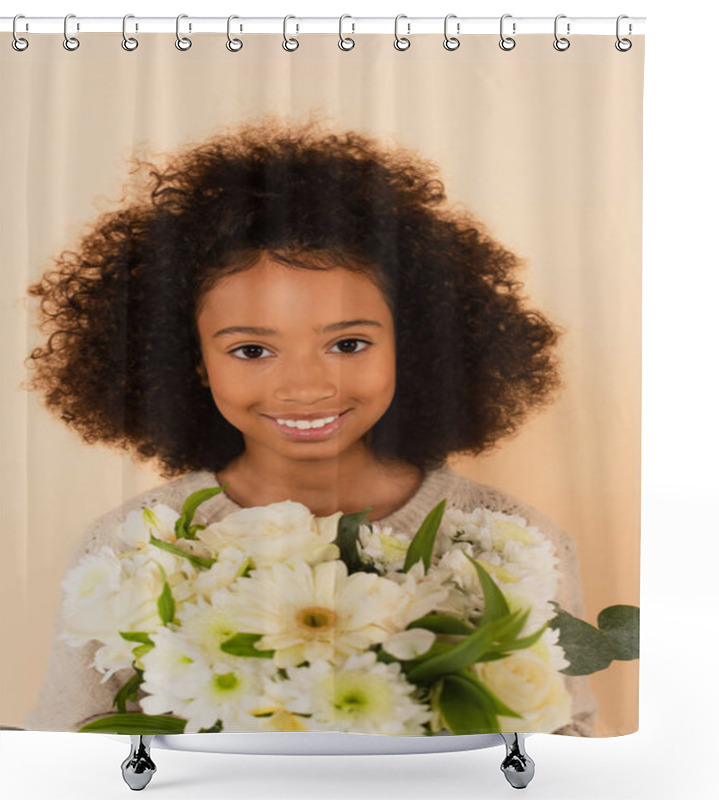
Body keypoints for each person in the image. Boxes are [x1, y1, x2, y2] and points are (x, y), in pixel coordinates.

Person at [20, 114, 598, 735]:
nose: (305, 388)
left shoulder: (516, 543)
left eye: (348, 344)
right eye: (250, 350)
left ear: (415, 344)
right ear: (191, 362)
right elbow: (68, 749)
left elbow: (566, 741)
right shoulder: (128, 550)